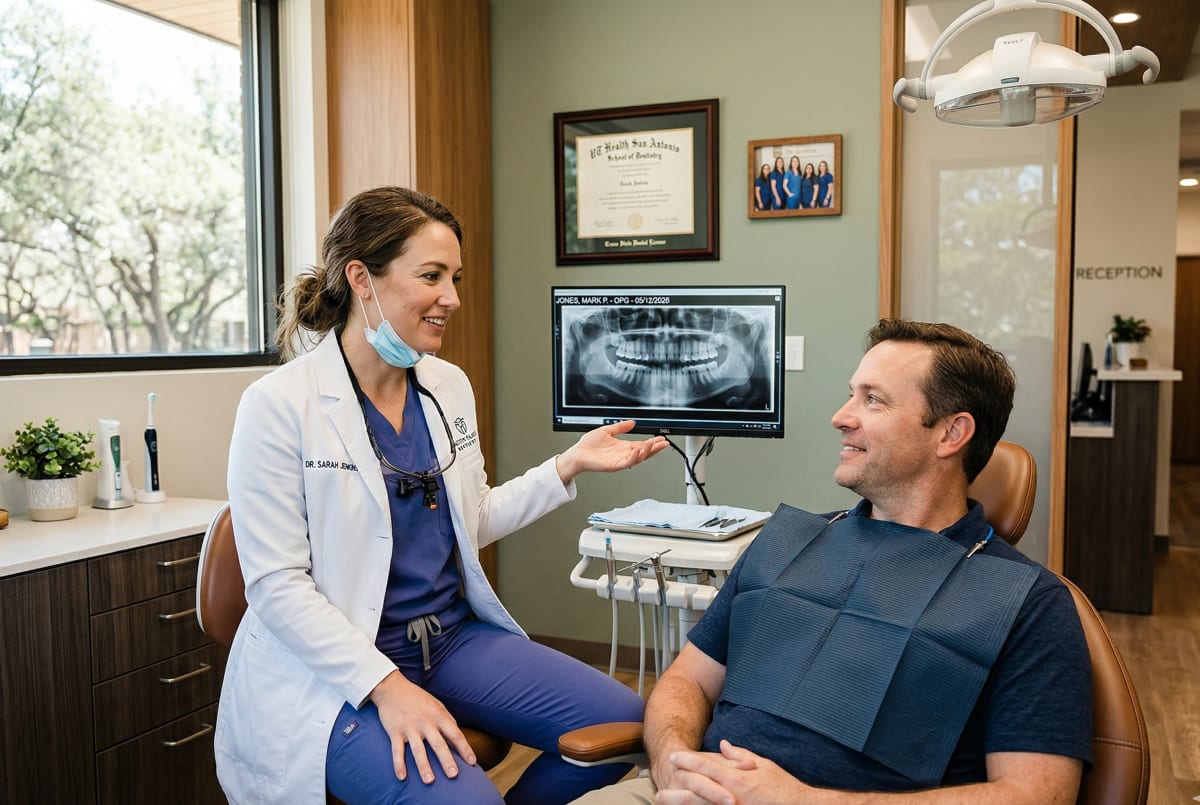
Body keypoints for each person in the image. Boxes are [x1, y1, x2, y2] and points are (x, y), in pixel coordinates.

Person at [216, 186, 669, 804]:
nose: (451, 298)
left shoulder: (445, 386)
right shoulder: (278, 406)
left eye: (454, 277)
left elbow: (468, 520)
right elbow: (275, 585)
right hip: (341, 666)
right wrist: (388, 688)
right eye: (431, 276)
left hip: (449, 640)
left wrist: (568, 465)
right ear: (361, 278)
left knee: (629, 728)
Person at [574, 319, 1093, 804]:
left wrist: (806, 801)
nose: (841, 417)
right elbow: (686, 680)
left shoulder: (1027, 602)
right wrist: (670, 762)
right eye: (852, 394)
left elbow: (1033, 795)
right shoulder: (788, 542)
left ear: (951, 434)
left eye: (873, 400)